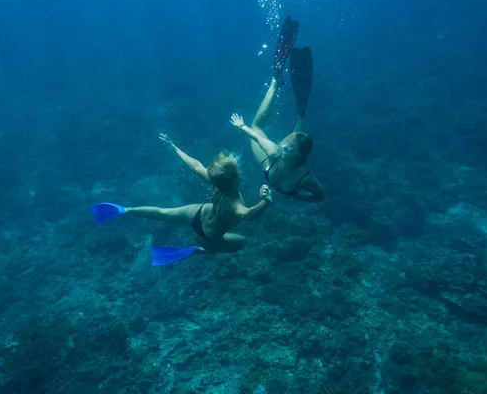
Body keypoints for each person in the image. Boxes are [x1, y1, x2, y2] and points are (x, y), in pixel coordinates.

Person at [90, 134, 273, 265]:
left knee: (163, 213)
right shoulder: (235, 204)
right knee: (243, 242)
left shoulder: (215, 182)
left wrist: (174, 147)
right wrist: (265, 200)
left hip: (197, 215)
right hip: (208, 238)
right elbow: (249, 215)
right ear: (237, 178)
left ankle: (124, 210)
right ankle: (196, 251)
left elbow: (195, 166)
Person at [229, 15, 326, 203]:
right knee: (286, 132)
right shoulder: (299, 171)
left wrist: (241, 126)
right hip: (274, 170)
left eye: (286, 145)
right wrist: (297, 195)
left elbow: (321, 195)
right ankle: (298, 107)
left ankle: (275, 82)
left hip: (271, 169)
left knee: (257, 125)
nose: (281, 143)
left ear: (290, 151)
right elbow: (255, 135)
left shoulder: (282, 158)